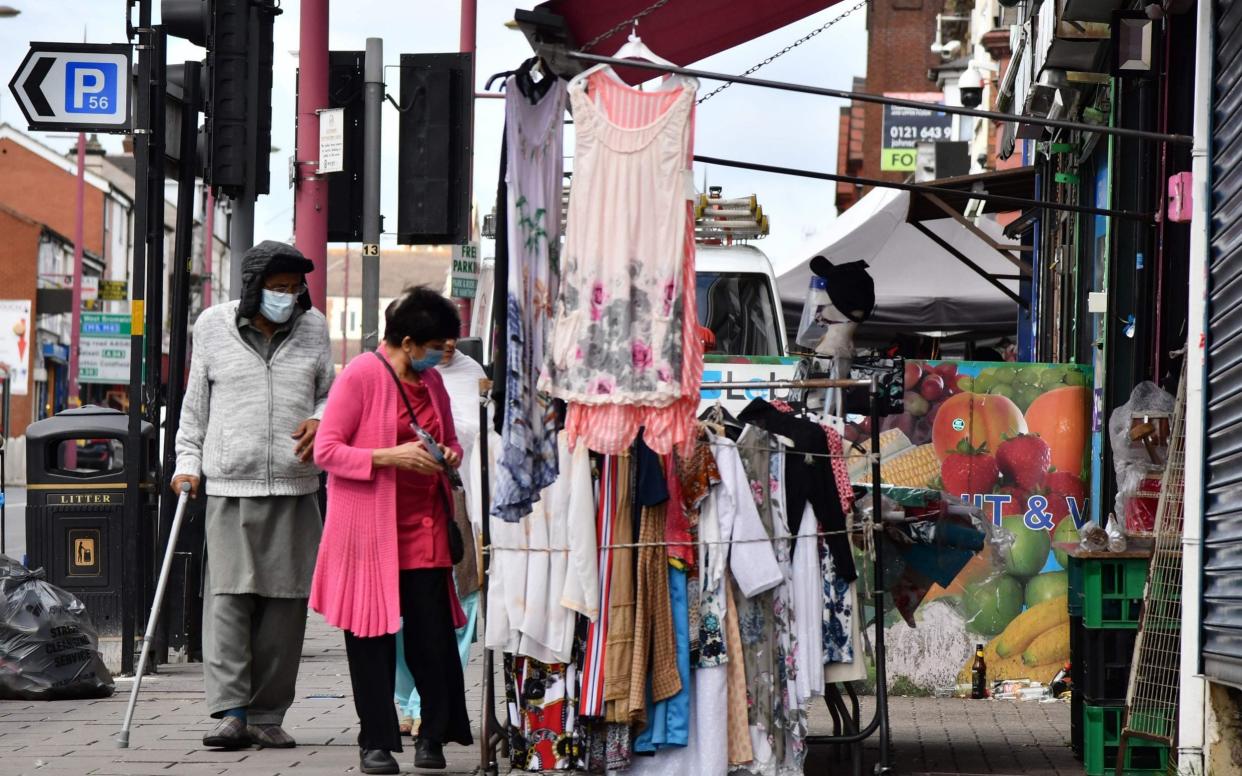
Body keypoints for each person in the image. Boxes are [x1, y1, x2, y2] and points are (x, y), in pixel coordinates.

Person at [172, 241, 334, 750]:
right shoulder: (213, 327)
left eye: (294, 288)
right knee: (228, 602)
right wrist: (186, 464)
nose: (288, 297)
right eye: (277, 288)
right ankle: (231, 712)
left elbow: (330, 392)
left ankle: (268, 713)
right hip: (229, 484)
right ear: (253, 288)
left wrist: (321, 418)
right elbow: (194, 406)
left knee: (285, 608)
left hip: (294, 484)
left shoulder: (316, 328)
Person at [310, 287, 474, 775]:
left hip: (425, 529)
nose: (442, 355)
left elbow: (448, 442)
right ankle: (375, 742)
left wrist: (447, 456)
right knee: (371, 640)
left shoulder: (435, 384)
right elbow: (327, 450)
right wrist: (388, 457)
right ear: (407, 341)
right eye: (436, 346)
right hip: (369, 533)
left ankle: (433, 735)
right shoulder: (361, 375)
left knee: (433, 639)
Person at [394, 339, 487, 736]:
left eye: (451, 335)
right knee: (400, 612)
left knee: (459, 606)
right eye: (435, 338)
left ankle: (427, 702)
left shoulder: (473, 375)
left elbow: (480, 440)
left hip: (460, 506)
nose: (446, 344)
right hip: (406, 504)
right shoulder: (393, 375)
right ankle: (403, 699)